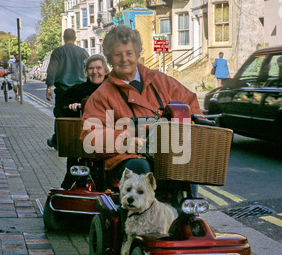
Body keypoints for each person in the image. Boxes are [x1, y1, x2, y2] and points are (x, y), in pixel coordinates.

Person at [80, 25, 203, 184]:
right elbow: (90, 135)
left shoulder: (161, 81)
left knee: (187, 168)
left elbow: (191, 104)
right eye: (118, 54)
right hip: (126, 159)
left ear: (137, 54)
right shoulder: (101, 96)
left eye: (129, 53)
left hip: (167, 153)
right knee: (139, 167)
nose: (124, 59)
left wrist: (189, 129)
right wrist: (125, 141)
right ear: (109, 59)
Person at [60, 54, 109, 189]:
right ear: (86, 72)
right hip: (82, 142)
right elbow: (60, 109)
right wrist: (72, 106)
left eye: (98, 68)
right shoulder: (77, 90)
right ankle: (65, 192)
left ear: (105, 70)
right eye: (91, 69)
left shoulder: (115, 89)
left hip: (110, 140)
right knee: (71, 172)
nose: (95, 72)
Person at [46, 28, 89, 149]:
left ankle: (58, 142)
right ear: (75, 38)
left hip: (63, 91)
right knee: (80, 116)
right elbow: (89, 69)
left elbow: (52, 71)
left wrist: (49, 87)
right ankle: (79, 140)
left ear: (63, 38)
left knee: (60, 116)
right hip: (81, 91)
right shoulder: (83, 52)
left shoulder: (58, 52)